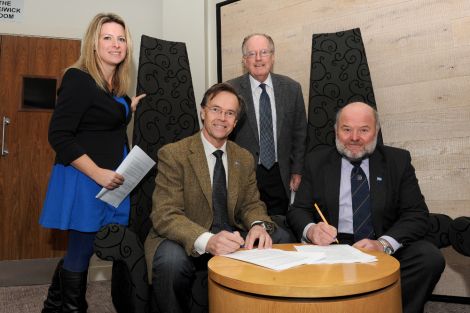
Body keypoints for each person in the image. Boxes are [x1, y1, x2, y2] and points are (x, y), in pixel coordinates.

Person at [144, 82, 291, 313]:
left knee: (279, 237)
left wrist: (258, 225)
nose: (222, 117)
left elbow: (251, 204)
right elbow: (165, 214)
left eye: (230, 113)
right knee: (170, 262)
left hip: (231, 232)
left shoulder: (243, 158)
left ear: (235, 122)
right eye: (216, 109)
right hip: (185, 236)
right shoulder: (175, 154)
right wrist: (207, 240)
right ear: (203, 112)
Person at [287, 101, 445, 313]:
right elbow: (298, 210)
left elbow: (416, 214)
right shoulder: (316, 161)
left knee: (429, 258)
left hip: (380, 242)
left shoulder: (397, 160)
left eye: (363, 130)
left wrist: (383, 244)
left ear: (376, 131)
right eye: (346, 129)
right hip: (333, 245)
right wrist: (312, 230)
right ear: (336, 130)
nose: (354, 138)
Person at [39, 13, 145, 313]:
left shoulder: (115, 86)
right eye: (107, 37)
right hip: (85, 176)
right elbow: (58, 135)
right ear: (94, 43)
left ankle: (52, 305)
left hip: (111, 177)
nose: (115, 44)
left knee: (85, 246)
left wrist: (128, 106)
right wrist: (97, 173)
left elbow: (105, 117)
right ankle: (73, 308)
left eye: (121, 38)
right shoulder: (78, 78)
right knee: (82, 249)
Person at [227, 33, 307, 227]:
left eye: (264, 52)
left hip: (282, 174)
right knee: (249, 225)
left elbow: (300, 133)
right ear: (244, 60)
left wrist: (297, 169)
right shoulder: (230, 90)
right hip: (246, 175)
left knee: (282, 228)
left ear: (272, 56)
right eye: (252, 54)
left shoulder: (292, 88)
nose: (258, 58)